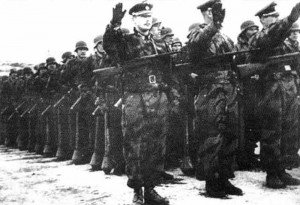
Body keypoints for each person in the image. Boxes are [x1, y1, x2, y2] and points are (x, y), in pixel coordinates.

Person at [103, 2, 178, 204]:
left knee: (156, 144)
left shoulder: (160, 43)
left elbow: (169, 71)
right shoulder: (125, 41)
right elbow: (109, 45)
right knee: (134, 144)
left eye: (149, 16)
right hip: (136, 97)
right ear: (134, 19)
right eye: (142, 16)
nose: (147, 19)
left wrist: (172, 96)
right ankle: (137, 190)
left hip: (158, 96)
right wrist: (114, 23)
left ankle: (151, 188)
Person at [188, 0, 243, 198]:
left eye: (218, 10)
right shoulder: (198, 32)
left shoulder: (225, 36)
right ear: (205, 12)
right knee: (213, 136)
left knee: (230, 134)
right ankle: (212, 183)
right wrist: (213, 26)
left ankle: (224, 178)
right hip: (211, 90)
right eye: (213, 10)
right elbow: (196, 46)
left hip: (228, 88)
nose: (217, 13)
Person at [248, 1, 300, 189]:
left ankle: (282, 169)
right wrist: (290, 19)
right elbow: (271, 37)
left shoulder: (284, 38)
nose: (276, 19)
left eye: (278, 16)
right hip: (271, 87)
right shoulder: (259, 36)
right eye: (272, 16)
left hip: (288, 85)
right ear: (262, 19)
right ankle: (271, 173)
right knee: (272, 130)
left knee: (289, 129)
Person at [234, 20, 261, 170]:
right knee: (245, 124)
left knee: (257, 122)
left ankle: (251, 154)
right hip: (245, 88)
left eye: (256, 28)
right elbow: (236, 69)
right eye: (251, 29)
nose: (255, 31)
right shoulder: (238, 48)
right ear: (244, 32)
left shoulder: (258, 45)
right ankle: (244, 157)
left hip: (259, 88)